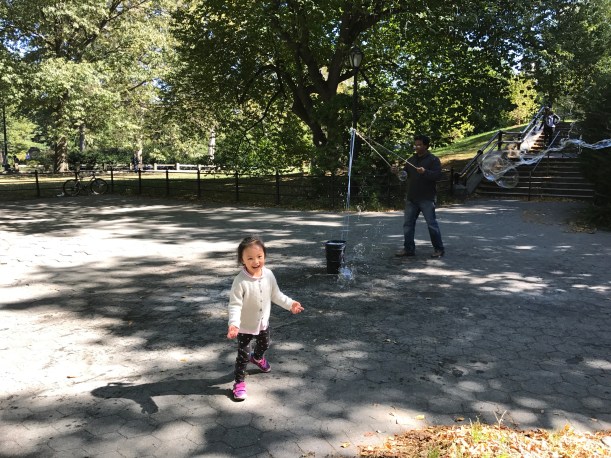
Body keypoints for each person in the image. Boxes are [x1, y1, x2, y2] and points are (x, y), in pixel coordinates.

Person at [227, 235, 304, 401]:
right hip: (244, 326)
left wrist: (290, 304)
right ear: (242, 260)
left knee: (265, 343)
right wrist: (234, 324)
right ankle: (239, 383)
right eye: (250, 258)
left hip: (263, 323)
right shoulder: (240, 281)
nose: (256, 261)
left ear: (265, 256)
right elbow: (235, 305)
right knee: (243, 356)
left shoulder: (268, 275)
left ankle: (257, 358)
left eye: (259, 256)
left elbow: (276, 295)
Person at [393, 134, 445, 258]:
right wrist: (396, 172)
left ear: (426, 146)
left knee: (431, 225)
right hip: (411, 198)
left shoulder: (433, 160)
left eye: (419, 145)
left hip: (427, 198)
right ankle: (408, 249)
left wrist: (425, 172)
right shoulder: (411, 160)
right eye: (415, 145)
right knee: (408, 225)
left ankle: (439, 249)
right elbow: (404, 176)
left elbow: (438, 176)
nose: (416, 147)